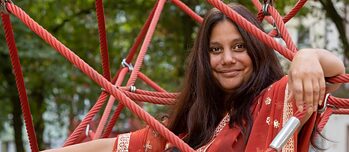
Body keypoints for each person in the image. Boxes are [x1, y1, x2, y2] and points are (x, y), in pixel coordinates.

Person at [43, 3, 345, 152]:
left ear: (257, 52)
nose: (227, 59)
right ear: (204, 58)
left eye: (239, 47)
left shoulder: (275, 99)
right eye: (216, 49)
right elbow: (113, 146)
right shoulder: (194, 125)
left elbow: (332, 70)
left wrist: (307, 56)